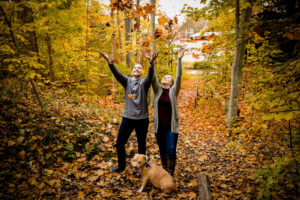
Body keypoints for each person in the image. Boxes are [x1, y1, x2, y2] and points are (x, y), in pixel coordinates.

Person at [99, 50, 158, 173]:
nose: (137, 69)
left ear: (141, 72)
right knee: (120, 143)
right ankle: (121, 166)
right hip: (128, 119)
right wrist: (109, 61)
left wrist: (151, 62)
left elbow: (150, 75)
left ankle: (140, 169)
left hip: (142, 120)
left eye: (139, 68)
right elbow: (117, 73)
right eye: (135, 68)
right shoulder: (127, 82)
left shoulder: (144, 83)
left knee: (141, 145)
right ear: (132, 71)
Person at [150, 49, 184, 176]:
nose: (165, 77)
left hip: (171, 127)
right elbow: (153, 77)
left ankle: (170, 174)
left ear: (171, 82)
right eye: (165, 76)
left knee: (171, 150)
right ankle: (164, 171)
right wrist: (151, 62)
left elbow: (179, 76)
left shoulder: (173, 91)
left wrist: (179, 59)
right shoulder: (158, 89)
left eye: (168, 77)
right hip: (159, 127)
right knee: (162, 149)